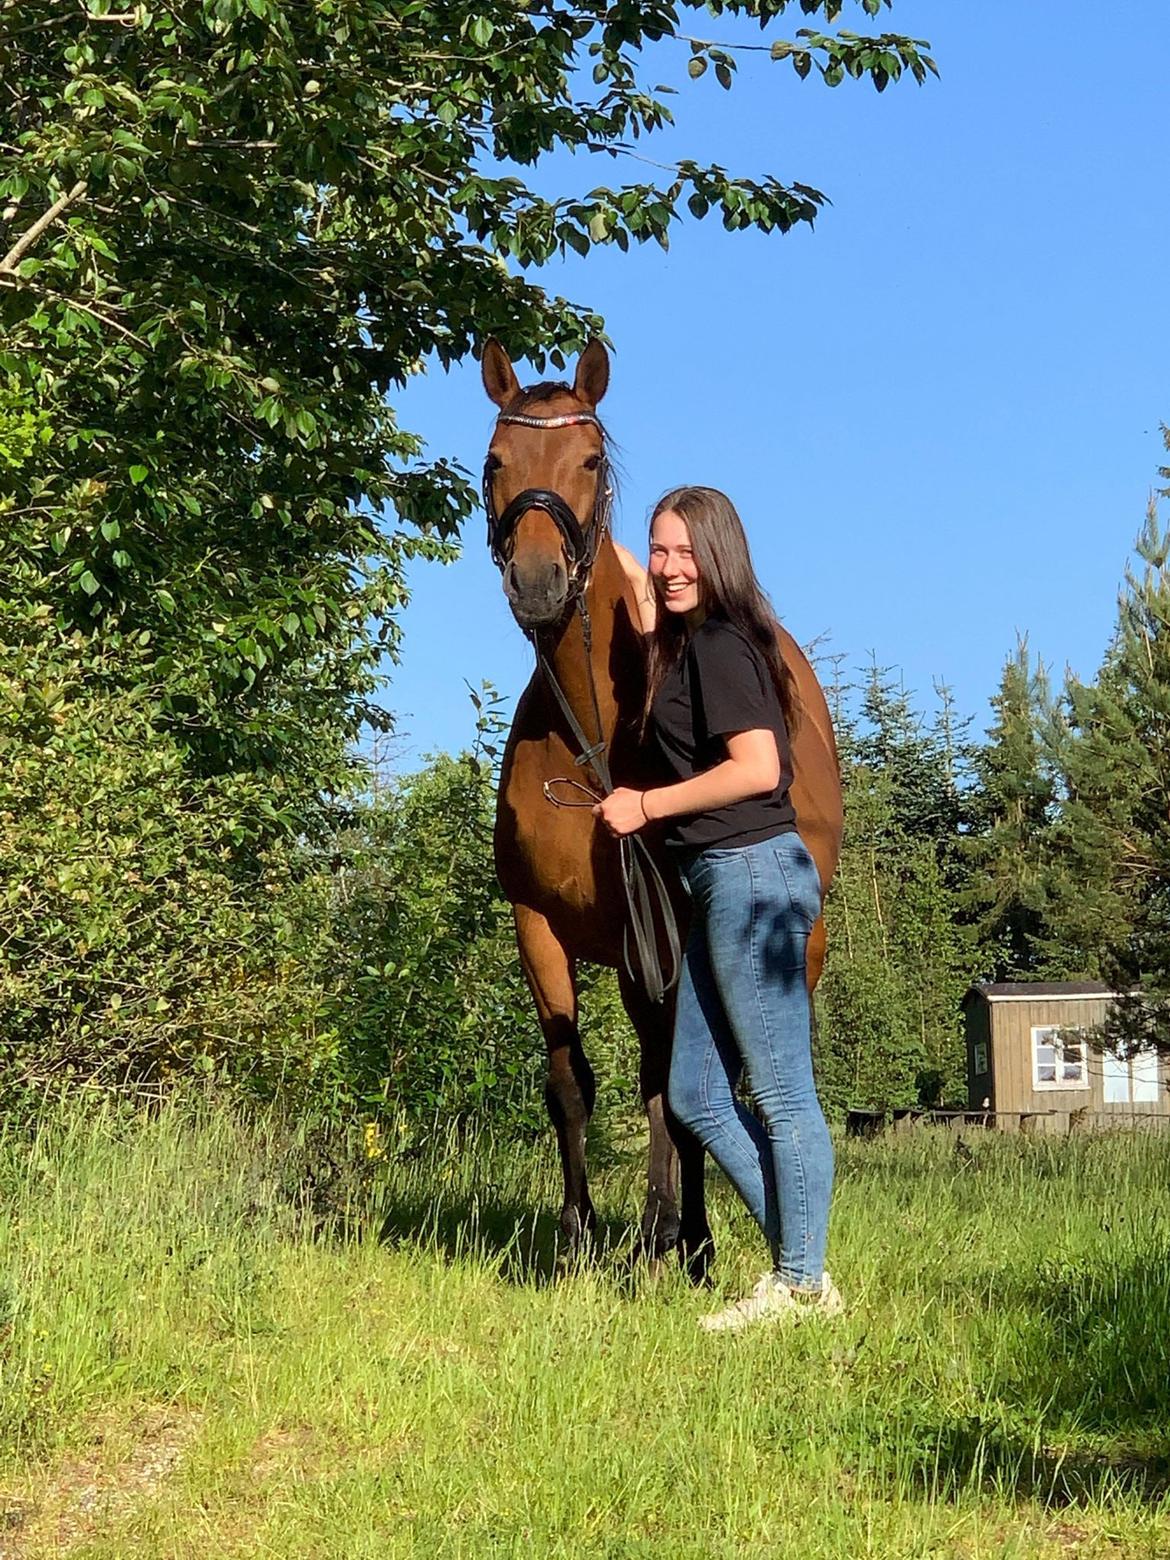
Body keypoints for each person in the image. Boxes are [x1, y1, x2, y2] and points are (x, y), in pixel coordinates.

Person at [598, 488, 840, 1331]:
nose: (667, 568)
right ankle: (801, 1264)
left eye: (683, 552)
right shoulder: (688, 636)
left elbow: (758, 767)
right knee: (696, 1091)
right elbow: (625, 574)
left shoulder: (724, 645)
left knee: (780, 1092)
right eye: (658, 550)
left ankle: (801, 1282)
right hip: (718, 882)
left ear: (719, 553)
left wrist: (646, 805)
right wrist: (597, 532)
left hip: (752, 874)